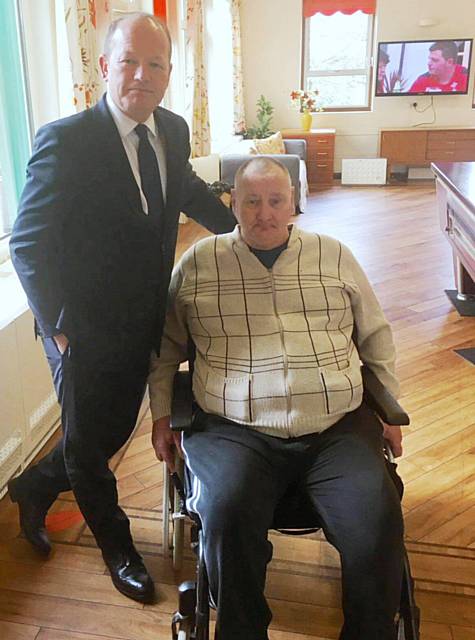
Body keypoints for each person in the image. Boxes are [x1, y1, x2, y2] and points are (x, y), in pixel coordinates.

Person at [8, 12, 235, 604]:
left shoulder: (174, 130)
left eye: (155, 63)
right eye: (129, 61)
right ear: (104, 67)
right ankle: (119, 549)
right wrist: (59, 331)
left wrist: (244, 230)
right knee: (89, 448)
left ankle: (32, 486)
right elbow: (28, 242)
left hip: (144, 321)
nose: (142, 73)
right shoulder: (66, 140)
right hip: (80, 331)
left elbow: (182, 187)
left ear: (168, 74)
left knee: (107, 431)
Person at [148, 157, 405, 639]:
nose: (264, 213)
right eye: (251, 201)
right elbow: (164, 350)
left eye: (275, 201)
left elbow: (375, 335)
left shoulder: (334, 255)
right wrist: (163, 414)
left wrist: (388, 406)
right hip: (232, 429)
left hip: (337, 428)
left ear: (293, 204)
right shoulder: (200, 262)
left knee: (376, 520)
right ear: (233, 203)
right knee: (225, 512)